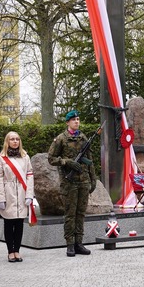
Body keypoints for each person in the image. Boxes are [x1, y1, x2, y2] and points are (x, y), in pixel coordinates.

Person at [48, 110, 97, 257]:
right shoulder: (61, 139)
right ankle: (70, 244)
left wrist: (93, 178)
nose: (77, 121)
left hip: (83, 181)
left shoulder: (83, 138)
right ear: (67, 122)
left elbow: (89, 160)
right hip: (69, 182)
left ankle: (79, 243)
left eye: (78, 119)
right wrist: (66, 162)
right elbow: (51, 158)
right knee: (70, 214)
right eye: (74, 119)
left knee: (80, 213)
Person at [0, 131, 34, 263]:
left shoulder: (25, 157)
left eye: (17, 139)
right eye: (12, 139)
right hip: (8, 193)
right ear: (7, 141)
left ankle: (17, 250)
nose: (15, 141)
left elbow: (29, 175)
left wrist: (29, 194)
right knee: (8, 223)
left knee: (19, 224)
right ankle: (10, 251)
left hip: (22, 193)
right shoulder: (1, 158)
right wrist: (0, 198)